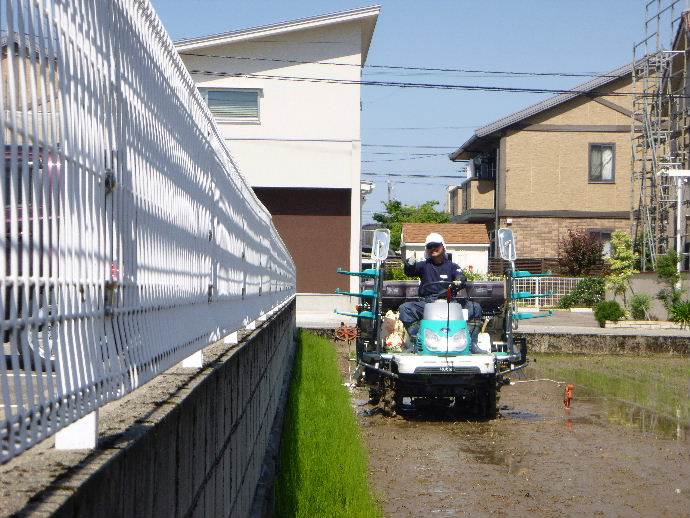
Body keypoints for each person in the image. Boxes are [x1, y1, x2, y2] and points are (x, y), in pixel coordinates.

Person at [398, 232, 482, 347]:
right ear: (426, 250)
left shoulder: (453, 266)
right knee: (405, 308)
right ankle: (419, 342)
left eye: (436, 246)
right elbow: (410, 271)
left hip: (450, 302)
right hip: (427, 303)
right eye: (430, 247)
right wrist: (409, 264)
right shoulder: (423, 265)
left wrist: (459, 281)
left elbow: (461, 277)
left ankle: (471, 344)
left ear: (443, 247)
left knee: (475, 308)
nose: (433, 249)